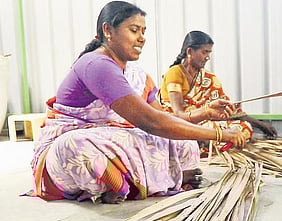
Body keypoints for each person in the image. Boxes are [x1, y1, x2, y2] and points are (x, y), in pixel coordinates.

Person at [31, 1, 246, 204]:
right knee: (76, 145)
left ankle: (130, 182)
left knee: (184, 142)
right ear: (108, 31)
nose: (141, 38)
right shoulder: (96, 64)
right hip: (71, 147)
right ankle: (127, 183)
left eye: (143, 32)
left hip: (116, 138)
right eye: (134, 30)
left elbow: (164, 117)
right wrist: (219, 135)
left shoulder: (138, 76)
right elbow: (150, 122)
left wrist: (206, 112)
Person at [159, 30, 277, 156]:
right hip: (178, 125)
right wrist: (205, 113)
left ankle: (205, 144)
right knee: (210, 131)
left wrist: (260, 125)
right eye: (204, 52)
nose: (207, 57)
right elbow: (178, 115)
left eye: (209, 52)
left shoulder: (208, 78)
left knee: (244, 127)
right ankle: (201, 144)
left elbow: (228, 109)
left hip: (202, 124)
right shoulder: (175, 73)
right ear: (189, 52)